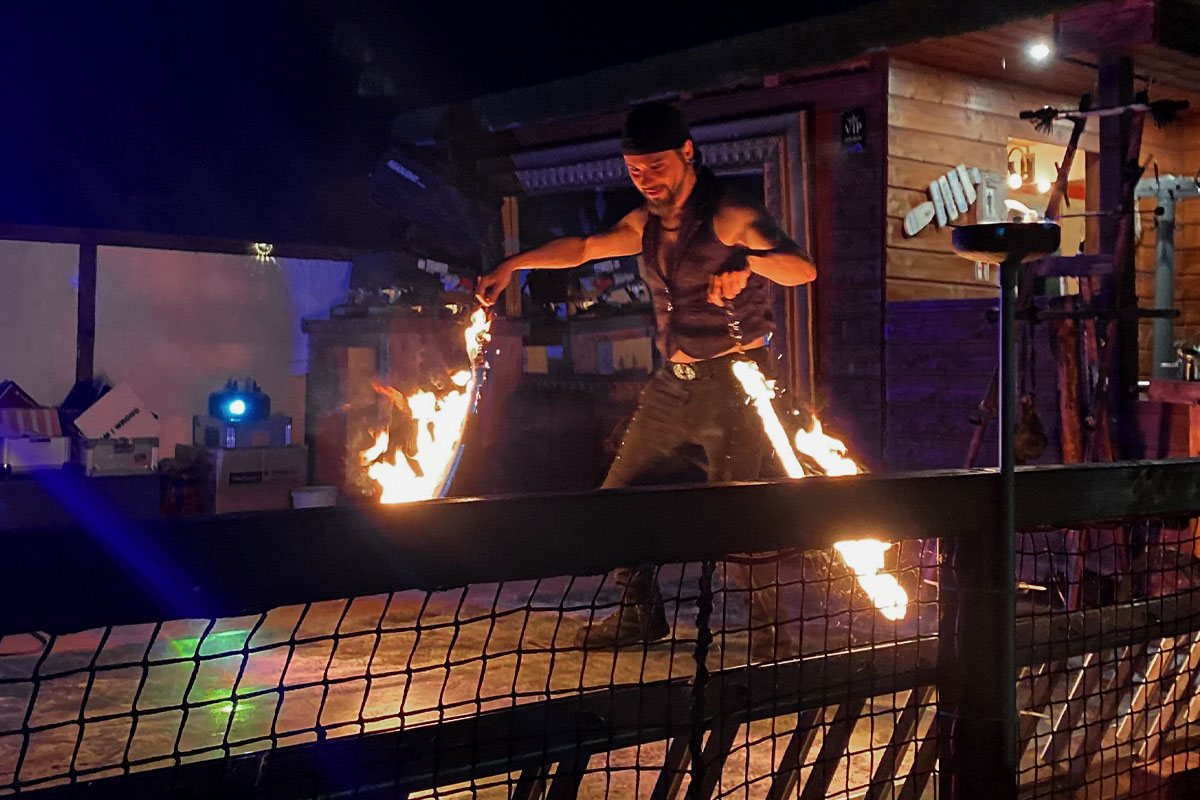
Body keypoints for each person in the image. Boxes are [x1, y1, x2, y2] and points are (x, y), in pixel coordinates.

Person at [476, 103, 816, 659]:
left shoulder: (730, 215)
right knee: (616, 502)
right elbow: (585, 248)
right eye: (635, 170)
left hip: (737, 385)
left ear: (687, 153)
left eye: (655, 165)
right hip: (670, 386)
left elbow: (801, 268)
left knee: (733, 515)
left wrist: (749, 264)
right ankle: (640, 614)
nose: (646, 179)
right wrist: (515, 264)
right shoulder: (646, 225)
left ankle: (770, 633)